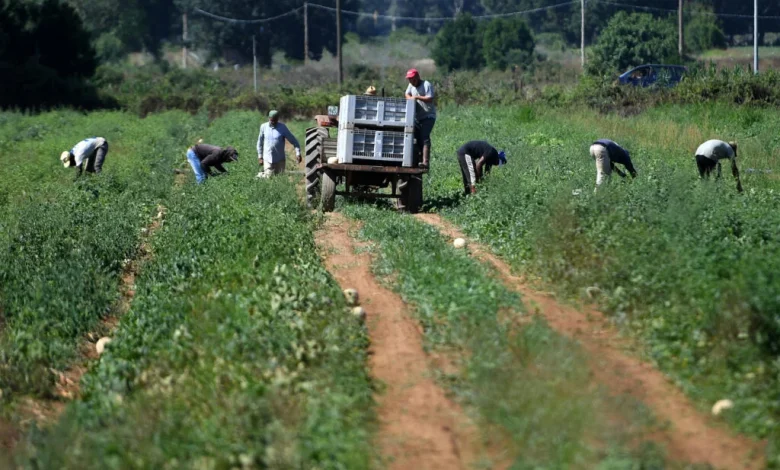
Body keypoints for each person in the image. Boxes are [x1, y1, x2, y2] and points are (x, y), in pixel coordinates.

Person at [405, 68, 436, 169]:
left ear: (418, 77)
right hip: (418, 118)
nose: (411, 81)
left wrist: (417, 97)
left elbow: (430, 98)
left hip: (428, 116)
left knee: (424, 136)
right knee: (416, 138)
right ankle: (418, 161)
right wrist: (410, 98)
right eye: (409, 79)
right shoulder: (411, 85)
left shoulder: (426, 84)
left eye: (413, 79)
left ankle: (426, 162)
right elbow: (406, 94)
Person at [256, 110, 301, 178]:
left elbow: (293, 141)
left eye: (275, 120)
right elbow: (259, 142)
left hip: (280, 160)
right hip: (267, 158)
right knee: (268, 177)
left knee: (279, 178)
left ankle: (260, 176)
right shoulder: (263, 127)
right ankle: (260, 176)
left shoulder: (282, 127)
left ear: (278, 119)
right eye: (272, 120)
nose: (273, 122)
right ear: (269, 118)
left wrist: (298, 153)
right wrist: (260, 156)